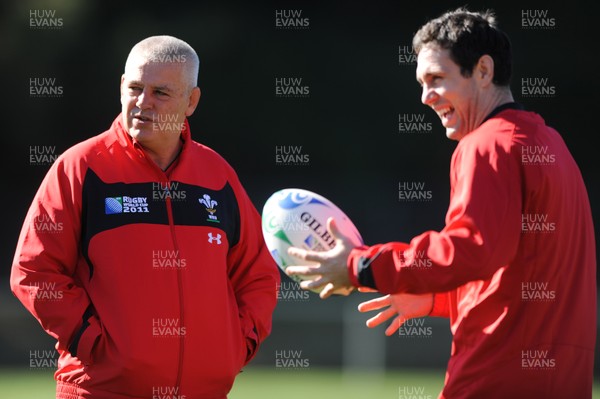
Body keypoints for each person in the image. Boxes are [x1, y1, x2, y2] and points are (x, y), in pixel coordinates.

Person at [286, 8, 596, 398]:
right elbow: (525, 271)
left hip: (495, 380)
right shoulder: (552, 145)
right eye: (420, 82)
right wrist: (437, 298)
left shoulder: (486, 145)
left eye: (436, 79)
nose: (425, 97)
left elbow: (470, 249)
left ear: (483, 71)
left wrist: (361, 265)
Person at [11, 35, 280, 399]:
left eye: (161, 93)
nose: (142, 103)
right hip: (102, 391)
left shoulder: (218, 176)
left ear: (191, 102)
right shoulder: (80, 168)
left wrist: (238, 343)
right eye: (135, 88)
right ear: (121, 86)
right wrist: (91, 341)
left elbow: (258, 273)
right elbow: (33, 270)